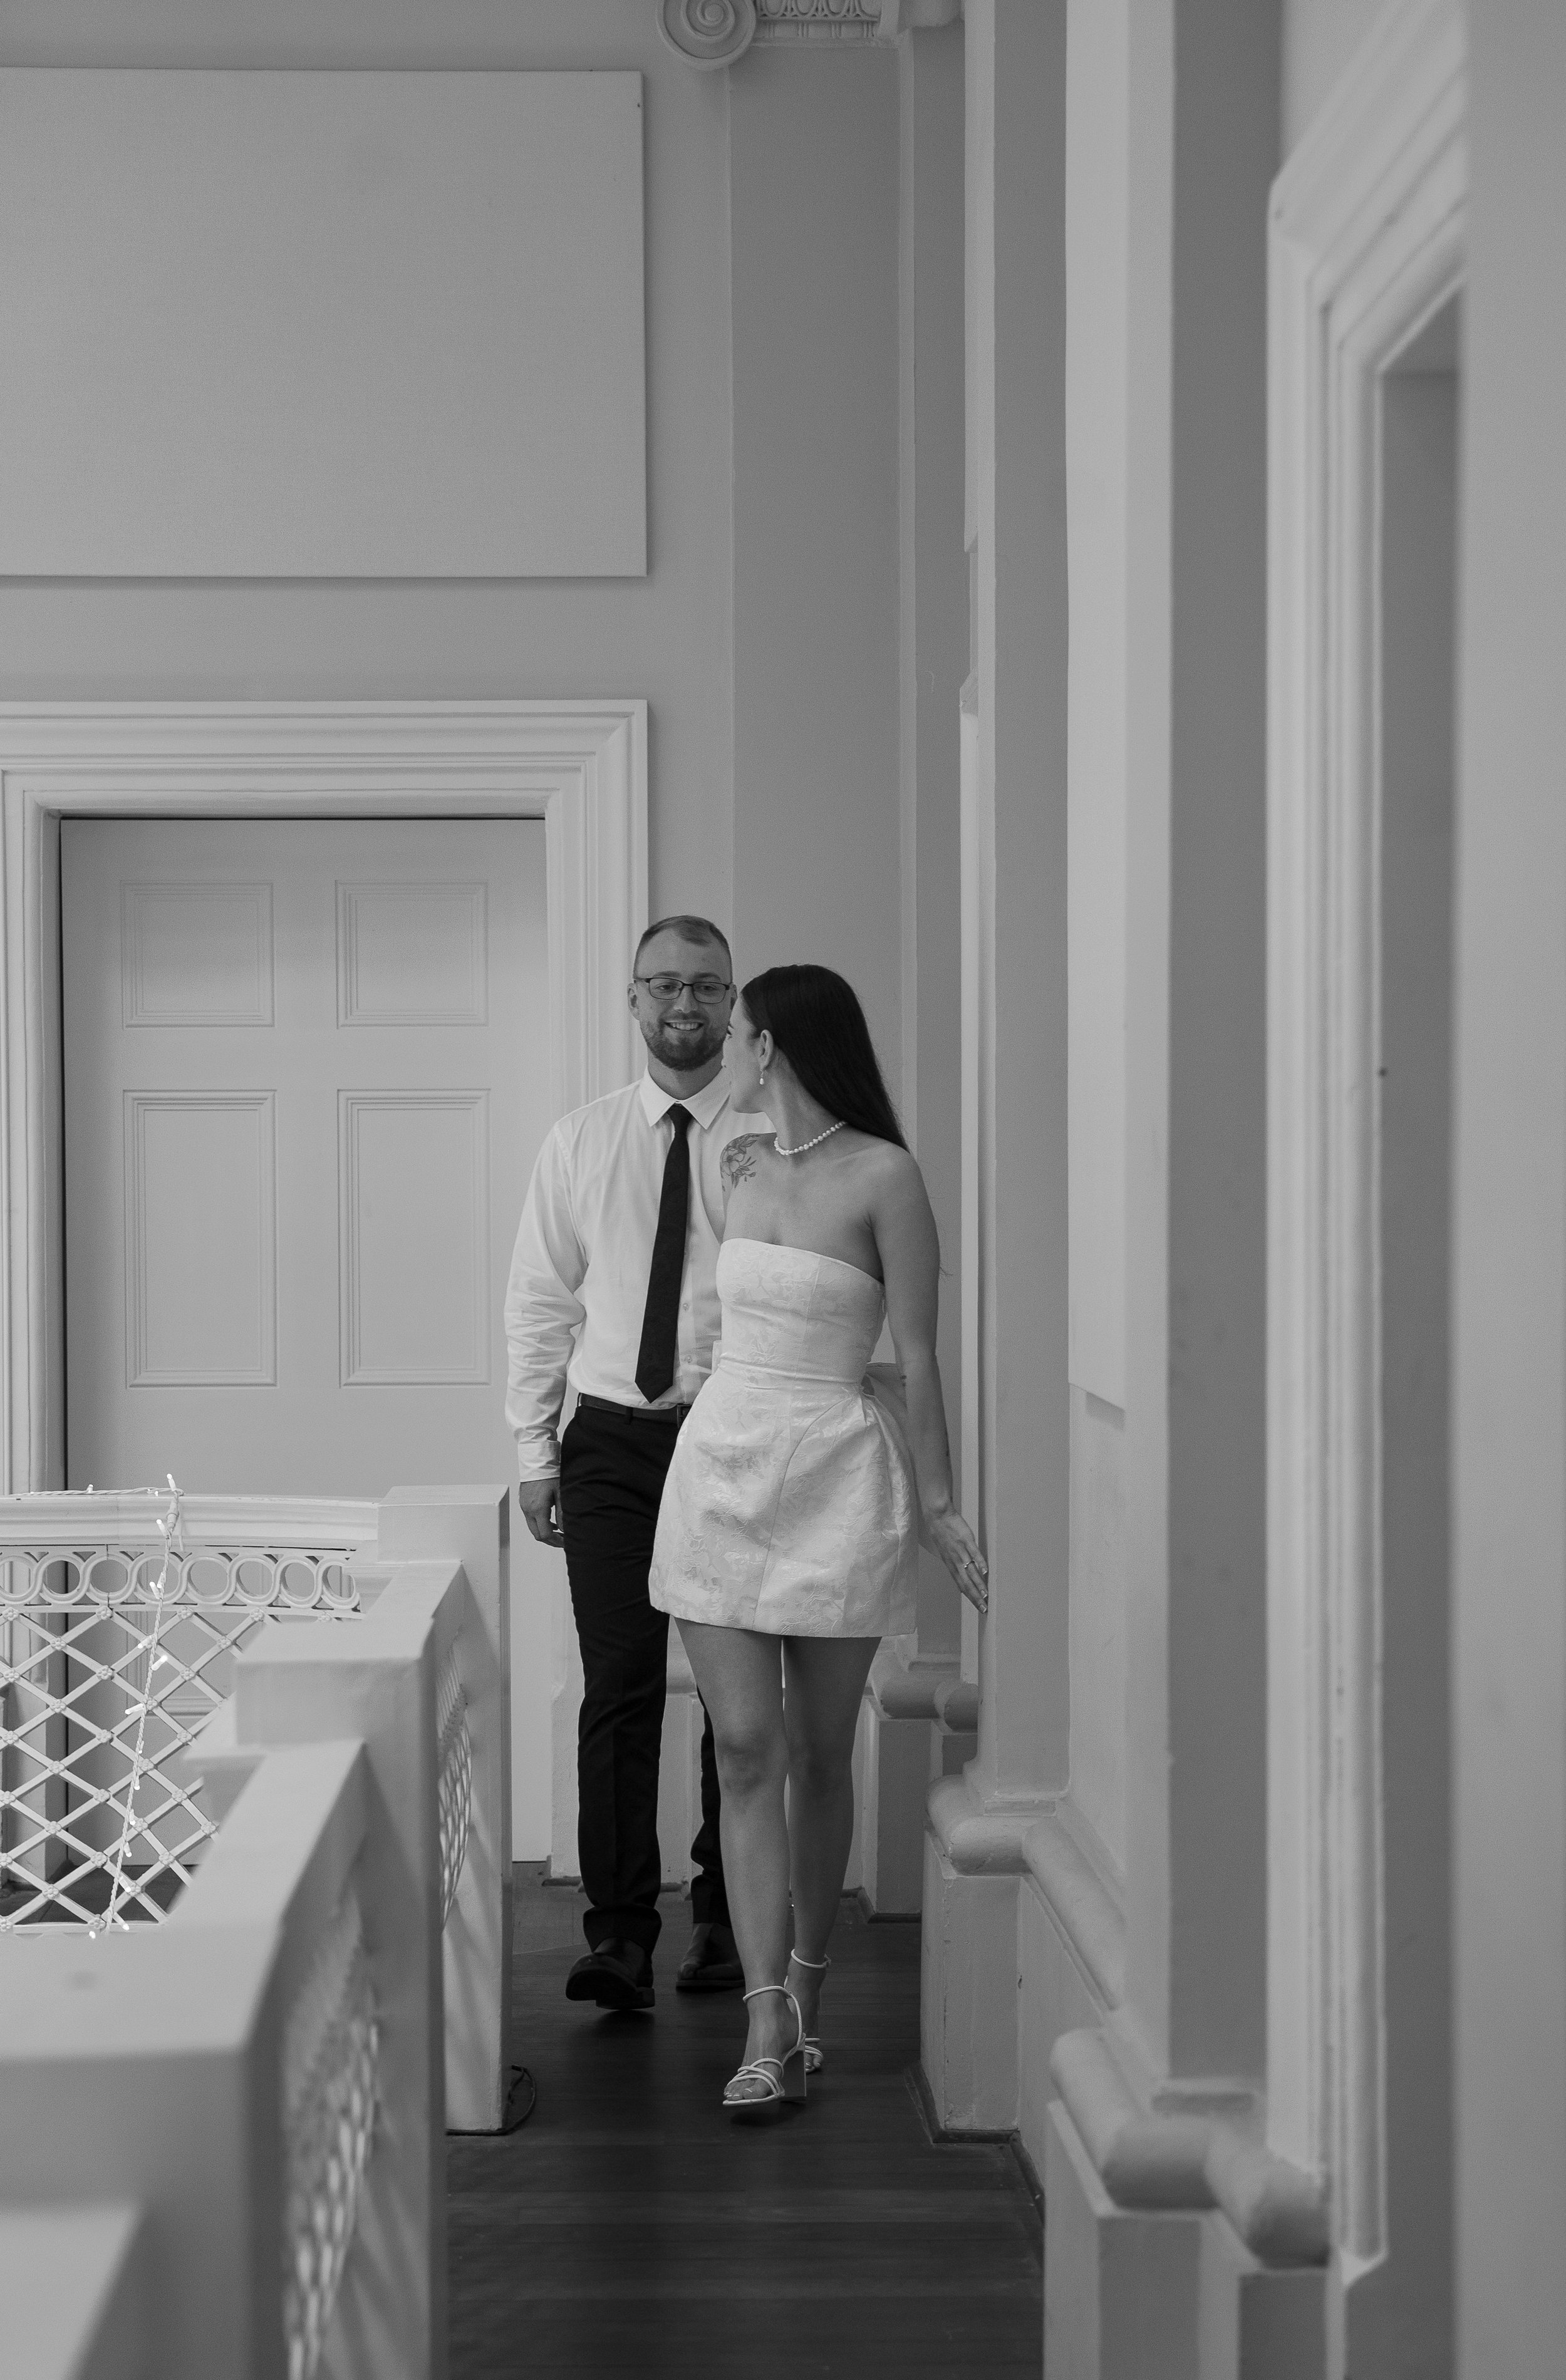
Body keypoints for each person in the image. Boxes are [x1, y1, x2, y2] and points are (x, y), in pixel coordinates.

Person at [648, 963, 987, 2109]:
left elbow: (924, 1355)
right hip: (722, 1471)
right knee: (742, 1749)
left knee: (818, 1753)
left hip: (835, 1479)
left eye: (735, 1032)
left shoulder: (887, 1176)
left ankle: (806, 1989)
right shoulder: (737, 1166)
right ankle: (763, 2024)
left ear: (775, 1046)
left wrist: (940, 1504)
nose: (717, 1049)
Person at [504, 915, 749, 2011]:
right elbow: (540, 1301)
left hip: (734, 1433)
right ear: (635, 1000)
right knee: (623, 1686)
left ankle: (728, 1922)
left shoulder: (768, 1144)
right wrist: (533, 1448)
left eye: (705, 987)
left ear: (732, 1002)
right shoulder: (580, 1141)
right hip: (608, 1440)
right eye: (664, 987)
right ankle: (619, 1938)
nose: (684, 1007)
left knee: (739, 1693)